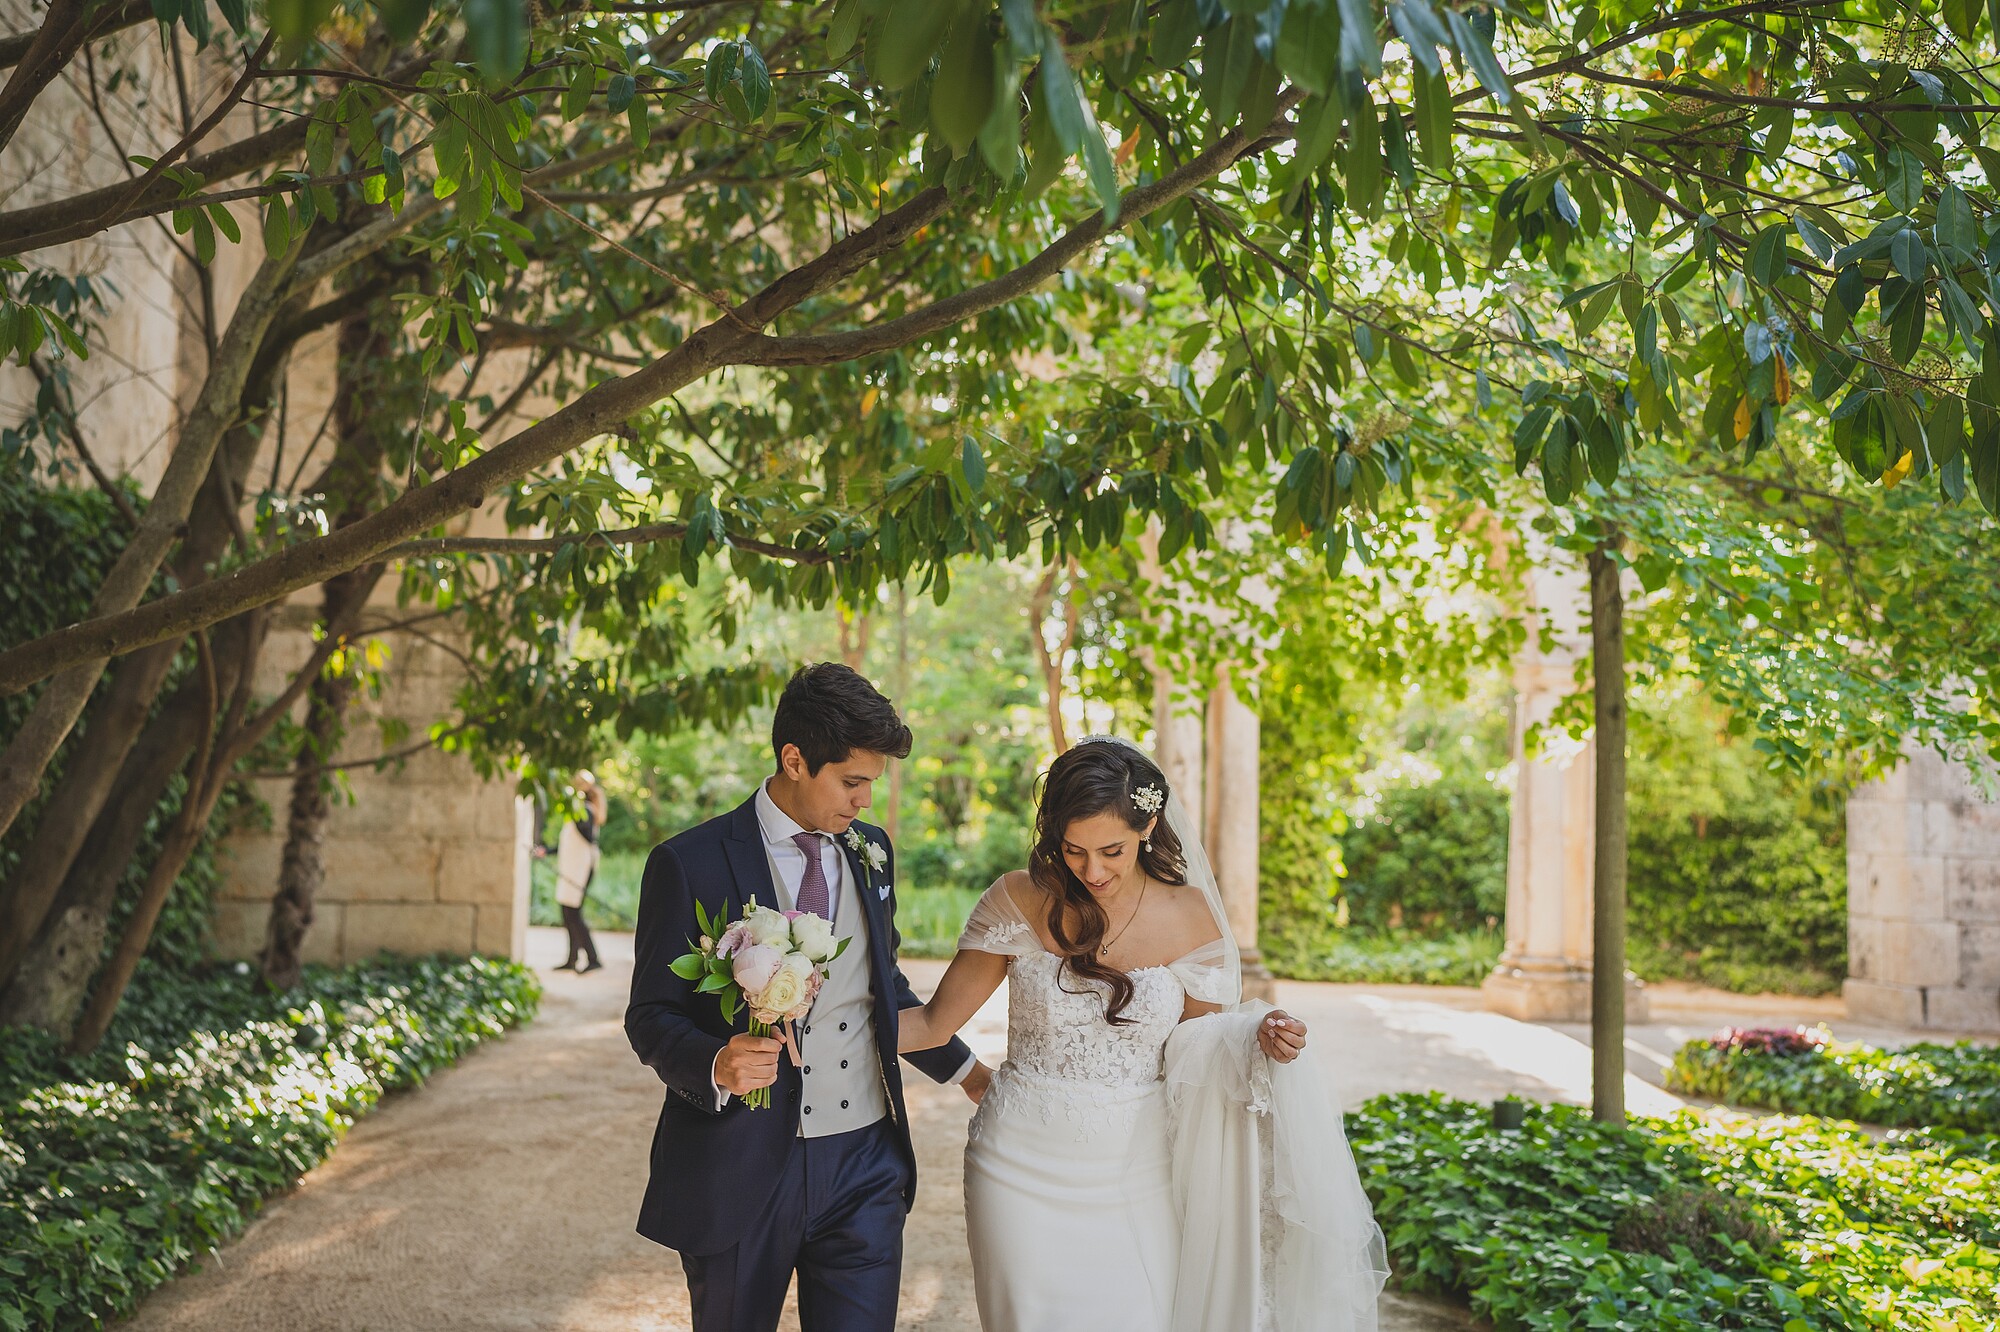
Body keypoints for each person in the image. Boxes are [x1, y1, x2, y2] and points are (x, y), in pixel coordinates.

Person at [897, 737, 1389, 1332]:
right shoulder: (1017, 899)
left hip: (1138, 1171)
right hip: (1016, 1163)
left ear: (1149, 825)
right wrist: (810, 1025)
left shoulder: (1191, 915)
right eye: (1073, 850)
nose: (1093, 871)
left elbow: (1202, 1047)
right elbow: (929, 1024)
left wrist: (1259, 1036)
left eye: (1112, 850)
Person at [625, 663, 989, 1332]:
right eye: (852, 782)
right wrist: (715, 1063)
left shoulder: (870, 851)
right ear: (794, 759)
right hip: (742, 1165)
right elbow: (651, 1015)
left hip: (866, 1164)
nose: (864, 803)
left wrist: (966, 1070)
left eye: (872, 785)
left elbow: (881, 989)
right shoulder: (691, 862)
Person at [535, 770, 607, 974]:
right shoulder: (578, 811)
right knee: (568, 913)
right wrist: (546, 851)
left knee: (573, 913)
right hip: (572, 867)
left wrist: (578, 813)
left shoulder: (584, 811)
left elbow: (588, 837)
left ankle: (593, 958)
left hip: (581, 869)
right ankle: (572, 958)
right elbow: (568, 844)